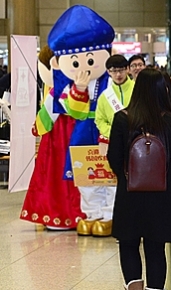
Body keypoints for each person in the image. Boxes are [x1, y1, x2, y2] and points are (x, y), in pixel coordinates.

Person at [107, 68, 171, 290]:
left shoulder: (122, 118)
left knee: (128, 243)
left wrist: (126, 179)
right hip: (161, 195)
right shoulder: (170, 121)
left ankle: (134, 287)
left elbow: (113, 157)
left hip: (129, 193)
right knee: (155, 248)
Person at [46, 5, 114, 237]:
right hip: (83, 131)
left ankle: (110, 215)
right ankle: (91, 213)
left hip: (108, 132)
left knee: (110, 174)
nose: (83, 66)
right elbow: (70, 110)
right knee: (84, 173)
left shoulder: (114, 81)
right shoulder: (67, 87)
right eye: (75, 61)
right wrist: (80, 89)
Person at [21, 45, 85, 230]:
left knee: (55, 172)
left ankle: (55, 213)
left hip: (59, 138)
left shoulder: (56, 92)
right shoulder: (74, 88)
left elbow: (41, 124)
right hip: (74, 134)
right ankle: (75, 214)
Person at [88, 55, 134, 236]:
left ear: (128, 69)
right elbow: (100, 120)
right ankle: (117, 221)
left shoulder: (137, 90)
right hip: (114, 145)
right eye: (114, 71)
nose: (118, 74)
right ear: (108, 72)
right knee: (116, 183)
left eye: (121, 69)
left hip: (135, 143)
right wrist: (113, 133)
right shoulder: (105, 96)